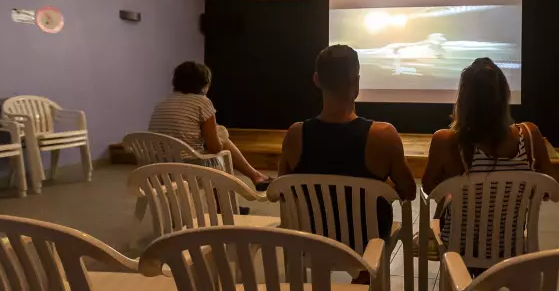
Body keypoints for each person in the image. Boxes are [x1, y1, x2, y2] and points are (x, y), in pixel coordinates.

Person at [279, 44, 417, 243]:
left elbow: (283, 192)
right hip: (368, 249)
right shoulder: (383, 136)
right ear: (356, 81)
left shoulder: (295, 135)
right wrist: (381, 185)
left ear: (316, 80)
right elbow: (409, 192)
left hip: (315, 245)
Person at [421, 57, 554, 246]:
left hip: (458, 250)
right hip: (511, 249)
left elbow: (429, 189)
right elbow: (550, 191)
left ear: (463, 99)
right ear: (505, 96)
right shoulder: (530, 136)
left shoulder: (446, 141)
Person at [149, 61, 270, 190]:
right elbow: (215, 148)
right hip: (188, 171)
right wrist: (221, 136)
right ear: (205, 84)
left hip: (157, 170)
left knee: (218, 134)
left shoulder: (161, 103)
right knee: (221, 147)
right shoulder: (202, 102)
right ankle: (249, 181)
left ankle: (255, 176)